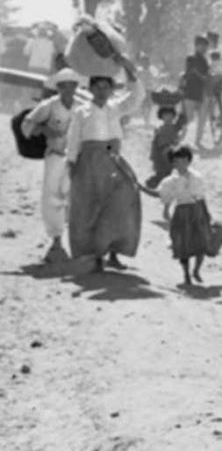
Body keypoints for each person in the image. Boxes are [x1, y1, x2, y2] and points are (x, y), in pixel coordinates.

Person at [65, 55, 146, 273]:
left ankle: (114, 252)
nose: (102, 91)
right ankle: (95, 255)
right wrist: (71, 164)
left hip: (112, 160)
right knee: (91, 208)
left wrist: (129, 70)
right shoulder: (82, 112)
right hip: (89, 164)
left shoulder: (115, 108)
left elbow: (137, 97)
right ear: (91, 89)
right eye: (97, 87)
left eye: (106, 87)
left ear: (111, 89)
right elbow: (73, 140)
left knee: (121, 203)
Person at [21, 68, 86, 263]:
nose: (68, 89)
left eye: (71, 85)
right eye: (63, 85)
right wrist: (42, 129)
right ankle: (57, 240)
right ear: (58, 87)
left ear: (76, 86)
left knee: (75, 198)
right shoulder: (49, 106)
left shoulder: (83, 107)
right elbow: (26, 124)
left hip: (77, 159)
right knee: (51, 197)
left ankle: (81, 244)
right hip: (56, 156)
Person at [140, 145, 211, 286]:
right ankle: (186, 274)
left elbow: (202, 197)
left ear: (189, 161)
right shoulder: (171, 181)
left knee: (201, 243)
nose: (181, 164)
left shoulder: (197, 177)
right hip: (182, 213)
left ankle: (196, 270)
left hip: (197, 211)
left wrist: (207, 214)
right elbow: (160, 194)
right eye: (177, 161)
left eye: (184, 161)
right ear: (173, 163)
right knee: (182, 244)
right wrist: (142, 188)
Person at [145, 102, 188, 192]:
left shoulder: (175, 127)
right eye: (166, 115)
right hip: (161, 157)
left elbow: (182, 133)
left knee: (168, 174)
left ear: (173, 116)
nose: (168, 117)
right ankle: (155, 183)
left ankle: (161, 185)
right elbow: (158, 145)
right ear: (162, 116)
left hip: (170, 156)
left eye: (170, 115)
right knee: (162, 174)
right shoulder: (160, 129)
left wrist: (183, 128)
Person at [181, 35, 211, 147]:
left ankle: (198, 141)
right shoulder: (191, 58)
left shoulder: (204, 60)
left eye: (206, 46)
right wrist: (203, 77)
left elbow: (207, 73)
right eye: (202, 46)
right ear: (196, 46)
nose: (205, 49)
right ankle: (179, 138)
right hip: (190, 92)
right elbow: (191, 72)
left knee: (202, 119)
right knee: (188, 118)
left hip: (201, 92)